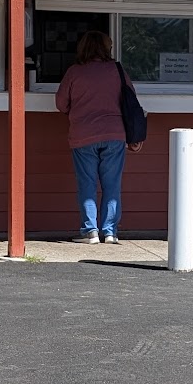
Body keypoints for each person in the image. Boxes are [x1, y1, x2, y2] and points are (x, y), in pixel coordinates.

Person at [54, 30, 135, 243]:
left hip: (83, 135)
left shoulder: (74, 72)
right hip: (114, 133)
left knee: (87, 185)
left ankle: (90, 232)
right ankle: (109, 232)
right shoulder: (117, 70)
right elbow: (131, 100)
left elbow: (61, 104)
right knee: (112, 184)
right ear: (106, 48)